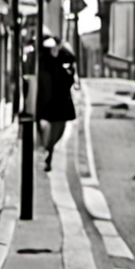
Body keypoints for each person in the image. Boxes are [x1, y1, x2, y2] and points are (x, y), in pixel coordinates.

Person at [37, 34, 78, 172]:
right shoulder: (44, 61)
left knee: (58, 131)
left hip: (58, 103)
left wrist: (60, 47)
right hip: (48, 102)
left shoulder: (62, 61)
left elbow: (71, 60)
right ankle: (47, 150)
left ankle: (49, 151)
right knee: (47, 129)